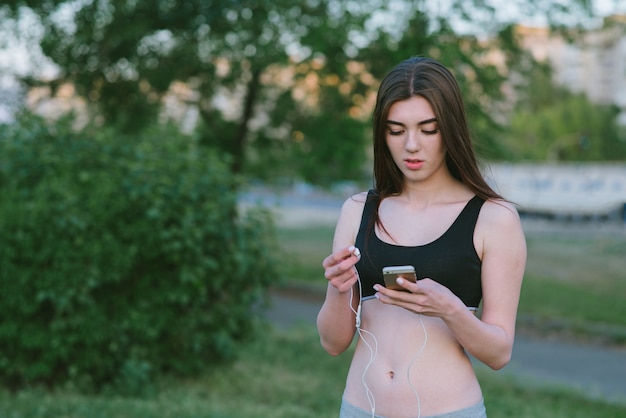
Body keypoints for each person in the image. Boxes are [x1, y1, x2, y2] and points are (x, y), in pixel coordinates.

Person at [317, 57, 526, 418]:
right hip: (359, 409)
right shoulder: (357, 210)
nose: (411, 145)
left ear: (451, 129)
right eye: (396, 130)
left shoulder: (494, 218)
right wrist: (338, 288)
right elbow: (333, 343)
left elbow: (498, 353)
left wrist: (448, 309)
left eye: (428, 129)